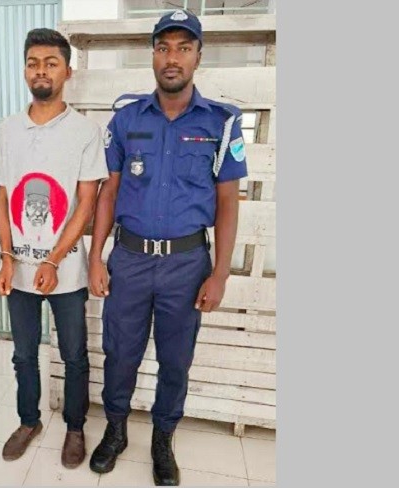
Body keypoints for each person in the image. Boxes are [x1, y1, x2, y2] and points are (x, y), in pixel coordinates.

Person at [86, 10, 248, 486]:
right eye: (163, 48)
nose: (172, 57)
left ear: (199, 56)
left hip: (187, 264)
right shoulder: (126, 119)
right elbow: (108, 193)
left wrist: (220, 273)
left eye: (183, 47)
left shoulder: (221, 122)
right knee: (121, 353)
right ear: (152, 56)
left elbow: (228, 202)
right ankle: (116, 430)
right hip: (130, 260)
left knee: (176, 359)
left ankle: (162, 439)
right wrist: (95, 257)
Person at [0, 28, 108, 468]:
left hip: (66, 269)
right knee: (23, 354)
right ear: (24, 70)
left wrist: (54, 259)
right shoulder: (8, 130)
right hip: (18, 267)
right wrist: (5, 257)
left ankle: (75, 427)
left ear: (67, 71)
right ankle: (28, 421)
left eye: (51, 63)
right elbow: (1, 197)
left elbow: (86, 203)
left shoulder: (85, 132)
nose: (41, 71)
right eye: (33, 63)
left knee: (74, 354)